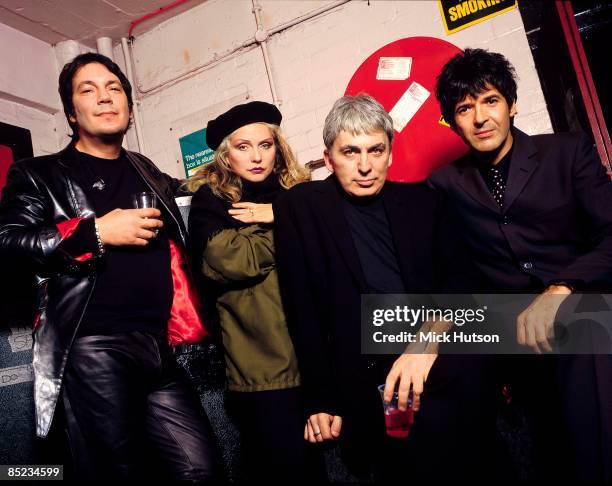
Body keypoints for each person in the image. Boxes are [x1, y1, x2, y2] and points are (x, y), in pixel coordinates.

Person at [0, 53, 220, 481]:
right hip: (94, 345)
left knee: (201, 469)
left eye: (114, 88)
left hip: (159, 348)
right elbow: (6, 242)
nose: (104, 98)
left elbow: (205, 206)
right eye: (88, 90)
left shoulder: (148, 172)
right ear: (70, 113)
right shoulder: (38, 174)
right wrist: (94, 232)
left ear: (130, 108)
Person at [274, 94, 504, 481]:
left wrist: (425, 344)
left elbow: (463, 280)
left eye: (375, 150)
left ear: (390, 153)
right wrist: (319, 399)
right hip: (372, 375)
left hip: (437, 353)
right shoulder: (302, 207)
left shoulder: (424, 202)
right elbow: (302, 309)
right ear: (328, 159)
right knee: (409, 460)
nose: (364, 166)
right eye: (350, 152)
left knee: (477, 454)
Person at [430, 47, 612, 482]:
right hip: (509, 329)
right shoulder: (445, 183)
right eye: (464, 108)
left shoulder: (566, 152)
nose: (480, 117)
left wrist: (562, 288)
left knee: (584, 327)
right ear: (453, 123)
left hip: (581, 303)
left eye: (490, 100)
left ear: (512, 104)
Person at [186, 101, 320, 482]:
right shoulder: (211, 200)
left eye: (266, 144)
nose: (257, 156)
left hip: (315, 358)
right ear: (225, 153)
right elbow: (231, 260)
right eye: (243, 146)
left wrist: (283, 214)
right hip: (262, 369)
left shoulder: (297, 193)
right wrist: (290, 225)